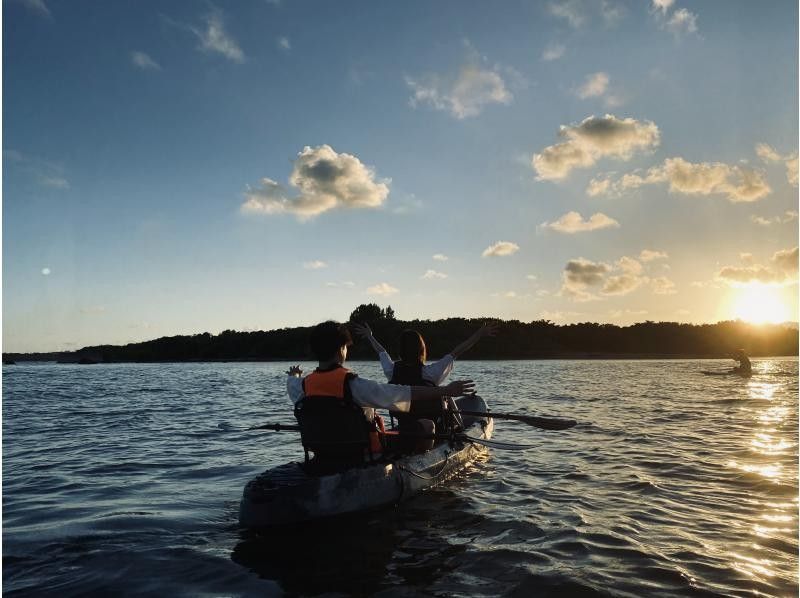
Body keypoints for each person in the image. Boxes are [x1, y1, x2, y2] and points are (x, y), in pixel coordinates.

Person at [285, 321, 475, 468]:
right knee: (426, 426)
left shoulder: (302, 386)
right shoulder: (356, 386)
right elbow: (402, 393)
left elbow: (291, 383)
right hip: (364, 453)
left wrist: (295, 374)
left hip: (326, 451)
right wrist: (446, 390)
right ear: (341, 350)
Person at [352, 321, 497, 451]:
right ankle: (459, 430)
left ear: (401, 351)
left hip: (406, 426)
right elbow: (457, 352)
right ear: (421, 350)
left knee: (443, 393)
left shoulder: (391, 371)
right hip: (433, 429)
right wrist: (479, 334)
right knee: (444, 393)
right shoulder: (431, 373)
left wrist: (370, 336)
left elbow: (381, 351)